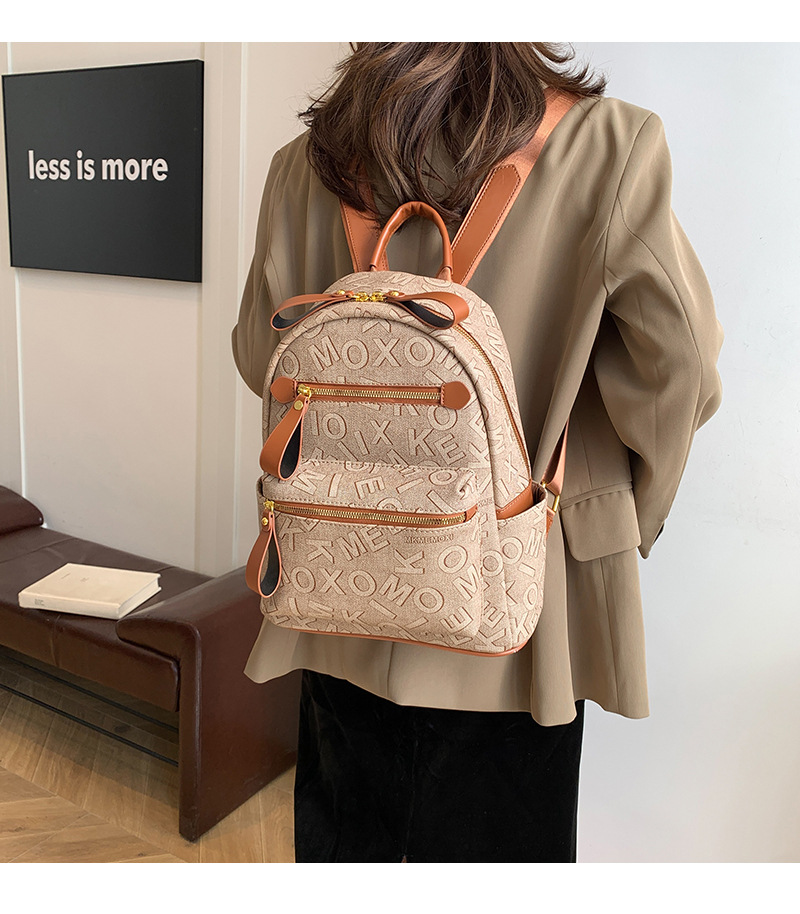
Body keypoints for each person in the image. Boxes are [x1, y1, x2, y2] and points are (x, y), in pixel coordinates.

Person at [231, 42, 724, 863]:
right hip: (517, 607)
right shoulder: (608, 145)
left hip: (339, 589)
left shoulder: (307, 163)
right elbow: (681, 372)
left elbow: (263, 357)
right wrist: (621, 513)